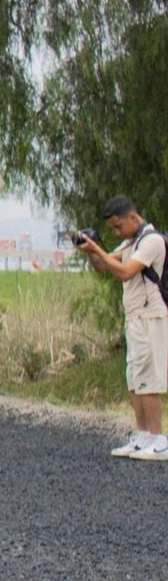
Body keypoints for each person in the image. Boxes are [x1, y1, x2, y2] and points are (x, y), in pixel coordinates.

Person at [76, 195, 168, 460]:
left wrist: (98, 247)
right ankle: (143, 436)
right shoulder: (131, 242)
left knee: (149, 380)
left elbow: (126, 271)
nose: (117, 232)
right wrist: (92, 250)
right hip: (135, 318)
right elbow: (105, 266)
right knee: (135, 380)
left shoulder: (151, 241)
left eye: (118, 227)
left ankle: (158, 438)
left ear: (132, 217)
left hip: (152, 316)